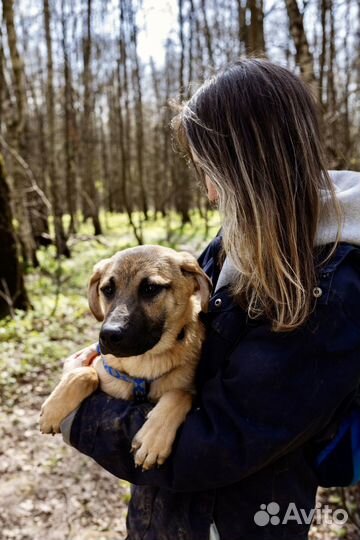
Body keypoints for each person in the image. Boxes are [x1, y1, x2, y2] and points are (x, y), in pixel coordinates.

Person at [60, 59, 360, 540]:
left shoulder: (329, 289)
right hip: (170, 518)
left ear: (250, 169)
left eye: (211, 172)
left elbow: (217, 442)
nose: (209, 193)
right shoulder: (238, 243)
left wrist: (81, 414)